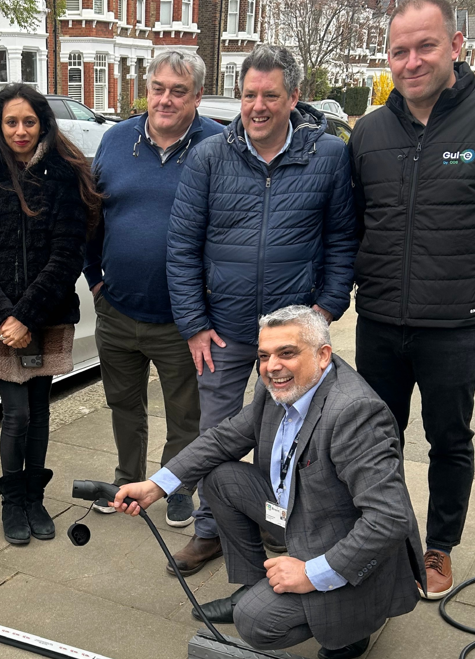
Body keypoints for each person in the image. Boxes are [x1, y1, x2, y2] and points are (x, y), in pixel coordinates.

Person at [112, 306, 426, 659]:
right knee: (220, 478)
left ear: (323, 355)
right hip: (295, 512)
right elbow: (222, 439)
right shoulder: (278, 387)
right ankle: (254, 586)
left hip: (344, 540)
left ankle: (352, 627)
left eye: (287, 353)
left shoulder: (355, 412)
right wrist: (156, 486)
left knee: (256, 621)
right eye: (264, 356)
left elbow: (389, 519)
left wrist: (310, 573)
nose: (272, 366)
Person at [166, 44, 357, 574]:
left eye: (270, 95)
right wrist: (195, 324)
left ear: (294, 97)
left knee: (291, 442)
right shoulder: (209, 155)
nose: (257, 106)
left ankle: (284, 527)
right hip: (224, 333)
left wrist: (324, 310)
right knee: (215, 436)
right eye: (249, 94)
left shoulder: (328, 157)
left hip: (293, 338)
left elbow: (343, 240)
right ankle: (211, 531)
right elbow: (182, 246)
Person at [350, 0, 475, 599]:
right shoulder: (368, 130)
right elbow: (356, 221)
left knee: (450, 439)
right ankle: (386, 537)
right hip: (380, 319)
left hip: (454, 325)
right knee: (374, 438)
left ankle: (439, 547)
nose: (412, 61)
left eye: (426, 47)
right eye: (400, 51)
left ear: (456, 47)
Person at [83, 51, 222, 545]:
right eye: (158, 87)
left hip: (184, 320)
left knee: (186, 414)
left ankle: (175, 486)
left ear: (198, 96)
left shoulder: (220, 144)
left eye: (178, 91)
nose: (165, 99)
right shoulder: (117, 140)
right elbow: (91, 215)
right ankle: (125, 480)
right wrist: (93, 279)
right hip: (117, 309)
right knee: (124, 405)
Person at [0, 84, 98, 545]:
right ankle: (12, 502)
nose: (20, 131)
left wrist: (27, 316)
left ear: (43, 124)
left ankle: (34, 499)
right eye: (11, 122)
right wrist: (2, 317)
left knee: (39, 410)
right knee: (15, 414)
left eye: (29, 122)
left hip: (47, 315)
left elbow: (67, 253)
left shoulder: (63, 173)